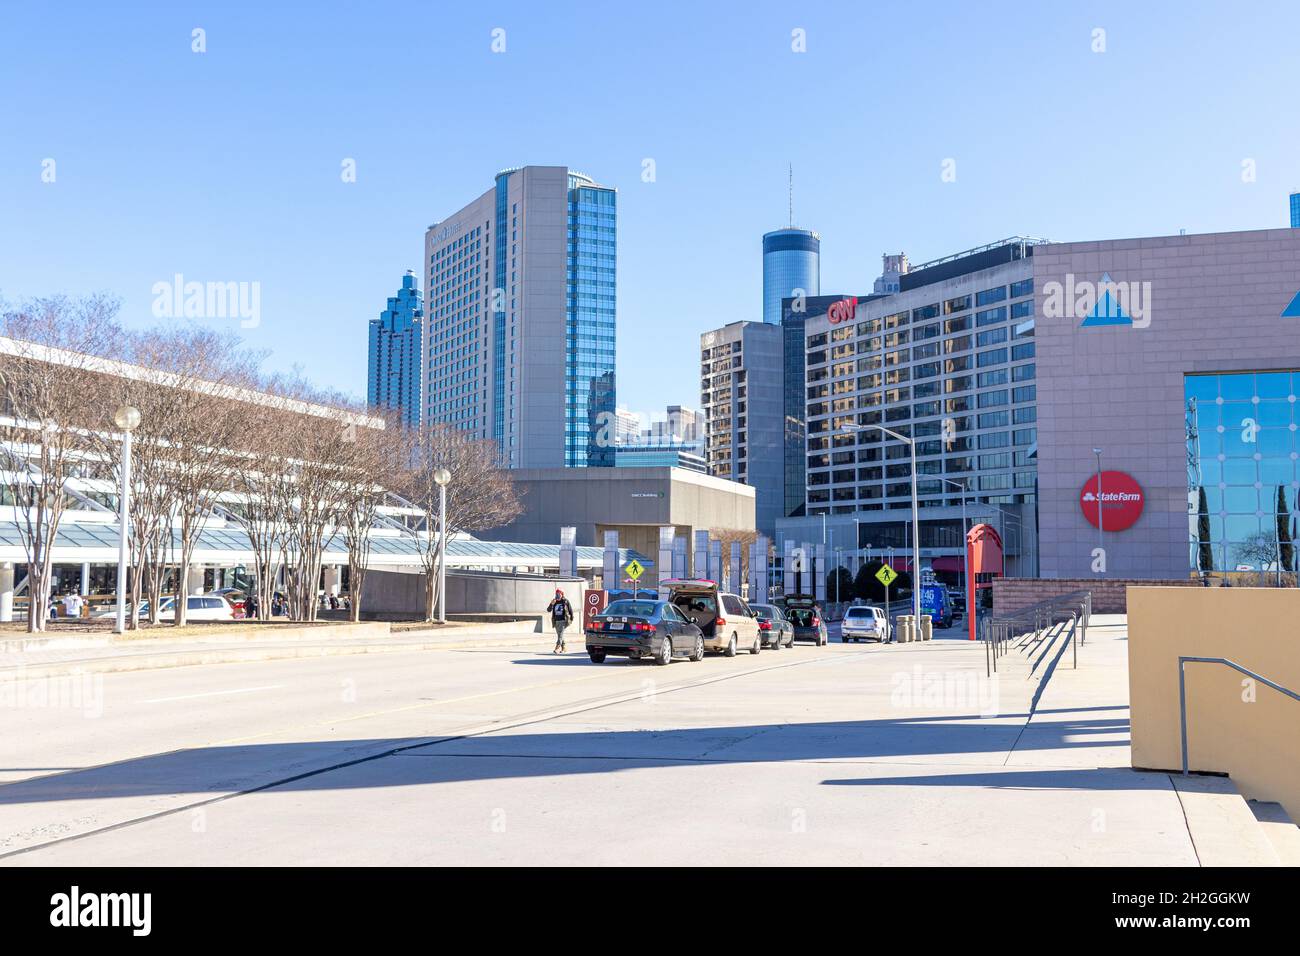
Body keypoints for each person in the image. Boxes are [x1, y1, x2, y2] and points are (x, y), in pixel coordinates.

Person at [545, 588, 573, 654]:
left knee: (560, 635)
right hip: (556, 621)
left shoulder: (565, 601)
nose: (557, 595)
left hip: (563, 620)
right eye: (556, 593)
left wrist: (571, 619)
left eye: (559, 593)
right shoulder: (554, 601)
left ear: (562, 594)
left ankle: (557, 648)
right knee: (560, 635)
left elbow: (570, 610)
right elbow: (548, 610)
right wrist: (551, 604)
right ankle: (564, 648)